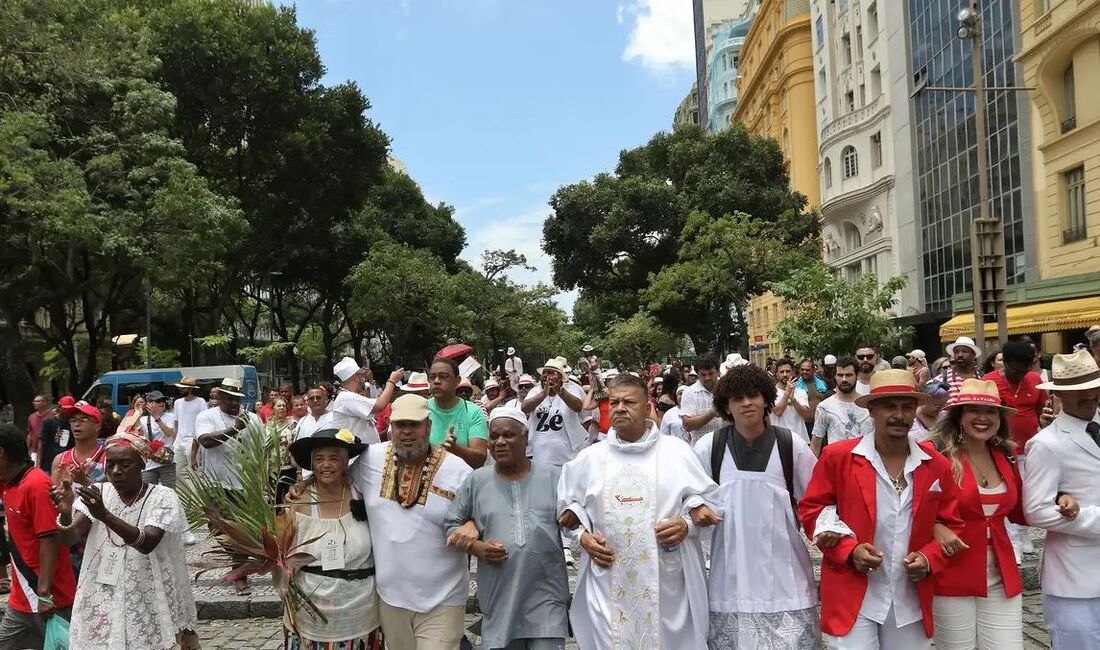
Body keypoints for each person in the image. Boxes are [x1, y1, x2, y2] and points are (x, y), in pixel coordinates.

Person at [799, 369, 965, 649]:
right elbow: (812, 510)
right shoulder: (839, 457)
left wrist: (928, 558)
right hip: (854, 593)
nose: (899, 415)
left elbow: (952, 523)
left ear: (916, 410)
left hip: (909, 596)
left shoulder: (936, 464)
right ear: (872, 410)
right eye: (889, 406)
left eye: (907, 407)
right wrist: (849, 550)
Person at [557, 374, 723, 649]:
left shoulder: (676, 453)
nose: (619, 408)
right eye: (614, 402)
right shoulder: (589, 459)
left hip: (667, 587)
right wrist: (583, 538)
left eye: (628, 402)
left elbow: (712, 506)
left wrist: (686, 525)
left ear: (647, 408)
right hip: (608, 583)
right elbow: (566, 513)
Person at [926, 378, 1078, 649]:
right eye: (974, 410)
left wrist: (1058, 498)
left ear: (1000, 417)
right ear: (960, 415)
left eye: (991, 411)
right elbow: (912, 508)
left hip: (1000, 573)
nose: (983, 418)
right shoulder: (935, 453)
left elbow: (1021, 509)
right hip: (951, 573)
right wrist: (936, 526)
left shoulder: (1004, 453)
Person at [694, 365, 820, 649]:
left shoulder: (791, 445)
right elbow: (689, 497)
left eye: (753, 395)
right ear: (726, 405)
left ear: (766, 399)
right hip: (730, 574)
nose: (747, 403)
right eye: (737, 398)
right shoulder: (709, 447)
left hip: (787, 575)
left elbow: (817, 500)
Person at [51, 432, 199, 650]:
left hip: (149, 590)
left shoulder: (163, 496)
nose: (116, 471)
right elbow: (71, 537)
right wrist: (64, 514)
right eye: (110, 465)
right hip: (104, 590)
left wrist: (105, 515)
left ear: (142, 464)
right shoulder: (98, 492)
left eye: (125, 464)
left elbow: (147, 543)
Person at [352, 395, 473, 649]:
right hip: (390, 598)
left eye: (414, 425)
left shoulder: (458, 470)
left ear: (428, 427)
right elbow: (336, 485)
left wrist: (473, 524)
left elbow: (481, 515)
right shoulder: (368, 460)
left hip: (444, 598)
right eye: (400, 425)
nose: (406, 432)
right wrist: (304, 487)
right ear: (390, 428)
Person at [444, 407, 570, 650]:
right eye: (494, 437)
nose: (500, 442)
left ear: (526, 437)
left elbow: (577, 521)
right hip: (499, 597)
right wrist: (476, 546)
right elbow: (450, 525)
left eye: (509, 435)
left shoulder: (555, 477)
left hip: (547, 596)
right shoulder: (476, 481)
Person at [1023, 349, 1100, 649]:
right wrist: (1088, 517)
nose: (1090, 399)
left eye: (1093, 392)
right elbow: (1036, 511)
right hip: (1074, 579)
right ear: (1058, 395)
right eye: (1080, 394)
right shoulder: (1046, 444)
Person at [285, 428, 381, 650]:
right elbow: (285, 554)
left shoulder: (362, 495)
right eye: (319, 459)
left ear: (346, 462)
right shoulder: (298, 502)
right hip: (312, 614)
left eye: (333, 458)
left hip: (361, 611)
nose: (326, 465)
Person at [0, 423, 77, 648]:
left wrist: (44, 593)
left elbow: (50, 540)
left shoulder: (36, 485)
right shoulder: (7, 482)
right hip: (20, 600)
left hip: (50, 598)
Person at [194, 377, 263, 594]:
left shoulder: (253, 418)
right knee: (217, 528)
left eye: (238, 399)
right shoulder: (206, 416)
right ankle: (237, 558)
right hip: (215, 484)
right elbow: (205, 440)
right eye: (229, 398)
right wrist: (234, 429)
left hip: (244, 485)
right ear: (219, 397)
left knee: (239, 529)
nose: (234, 403)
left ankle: (239, 573)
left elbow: (262, 448)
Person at [985, 340, 1049, 559]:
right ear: (1004, 362)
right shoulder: (989, 382)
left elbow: (1042, 413)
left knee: (1029, 495)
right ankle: (1012, 541)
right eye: (1013, 370)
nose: (1018, 375)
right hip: (1000, 451)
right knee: (1008, 496)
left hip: (1031, 451)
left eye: (1023, 370)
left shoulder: (1034, 380)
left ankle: (1024, 535)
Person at [521, 358, 589, 467]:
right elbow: (524, 408)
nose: (546, 376)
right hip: (540, 456)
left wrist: (559, 391)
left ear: (560, 377)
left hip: (567, 456)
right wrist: (544, 394)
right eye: (544, 373)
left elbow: (578, 407)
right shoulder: (535, 391)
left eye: (551, 373)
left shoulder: (572, 389)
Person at [424, 359, 489, 469]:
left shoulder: (473, 411)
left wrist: (456, 449)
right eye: (432, 377)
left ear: (457, 381)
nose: (436, 381)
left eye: (443, 376)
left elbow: (480, 460)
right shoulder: (421, 409)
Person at [330, 357, 403, 445]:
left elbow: (375, 400)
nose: (364, 379)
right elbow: (379, 405)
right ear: (356, 377)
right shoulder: (346, 397)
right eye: (362, 375)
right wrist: (392, 381)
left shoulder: (348, 396)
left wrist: (371, 380)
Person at [811, 356, 873, 457]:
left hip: (864, 465)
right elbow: (816, 443)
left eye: (848, 375)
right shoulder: (824, 407)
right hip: (836, 466)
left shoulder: (868, 405)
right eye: (840, 375)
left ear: (857, 376)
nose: (844, 379)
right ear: (835, 376)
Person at [51, 400, 107, 486]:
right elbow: (54, 496)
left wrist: (84, 481)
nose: (77, 424)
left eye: (83, 420)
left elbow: (115, 495)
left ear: (97, 426)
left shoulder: (109, 457)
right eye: (73, 420)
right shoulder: (60, 461)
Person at [139, 390, 177, 488]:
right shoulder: (143, 420)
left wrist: (157, 418)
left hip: (167, 460)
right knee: (147, 492)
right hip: (150, 462)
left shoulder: (171, 416)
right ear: (149, 404)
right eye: (158, 401)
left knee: (170, 491)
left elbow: (169, 433)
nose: (162, 403)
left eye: (163, 401)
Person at [172, 376, 207, 479]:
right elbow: (176, 423)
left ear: (191, 389)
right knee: (176, 472)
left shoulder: (200, 402)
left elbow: (203, 423)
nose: (181, 389)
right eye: (181, 387)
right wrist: (174, 442)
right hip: (179, 442)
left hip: (193, 441)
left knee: (194, 472)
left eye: (184, 387)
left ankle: (196, 494)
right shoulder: (177, 402)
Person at [681, 354, 723, 439]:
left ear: (718, 372)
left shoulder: (727, 388)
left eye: (711, 373)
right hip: (701, 449)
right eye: (703, 375)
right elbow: (687, 425)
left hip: (727, 446)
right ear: (697, 374)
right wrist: (711, 414)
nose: (707, 378)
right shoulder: (690, 392)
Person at [771, 358, 811, 443]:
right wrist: (787, 394)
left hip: (800, 440)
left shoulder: (801, 392)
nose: (785, 374)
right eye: (782, 372)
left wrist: (793, 400)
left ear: (792, 373)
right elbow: (778, 412)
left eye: (788, 371)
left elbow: (806, 415)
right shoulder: (771, 392)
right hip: (780, 441)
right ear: (777, 374)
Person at [268, 396, 298, 504]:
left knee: (291, 500)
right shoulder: (267, 427)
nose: (281, 408)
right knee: (275, 502)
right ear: (273, 408)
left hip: (290, 469)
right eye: (278, 405)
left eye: (283, 406)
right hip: (273, 471)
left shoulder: (293, 424)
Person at [38, 395, 75, 472]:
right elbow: (41, 443)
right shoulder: (48, 422)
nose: (66, 411)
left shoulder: (73, 424)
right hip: (49, 462)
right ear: (59, 407)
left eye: (69, 409)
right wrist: (38, 464)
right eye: (64, 409)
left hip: (66, 462)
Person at [27, 394, 55, 462]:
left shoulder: (53, 415)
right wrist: (27, 449)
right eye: (34, 401)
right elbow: (30, 434)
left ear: (45, 402)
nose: (35, 403)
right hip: (35, 451)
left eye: (38, 401)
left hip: (49, 451)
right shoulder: (31, 417)